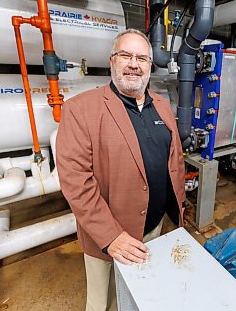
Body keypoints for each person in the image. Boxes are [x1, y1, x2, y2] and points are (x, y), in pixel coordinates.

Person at [56, 28, 186, 311]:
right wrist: (111, 236)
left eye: (141, 58)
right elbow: (75, 182)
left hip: (153, 227)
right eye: (125, 55)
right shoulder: (81, 109)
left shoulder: (163, 107)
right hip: (109, 235)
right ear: (112, 60)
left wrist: (177, 206)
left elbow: (173, 160)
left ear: (150, 66)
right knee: (103, 301)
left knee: (138, 292)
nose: (133, 64)